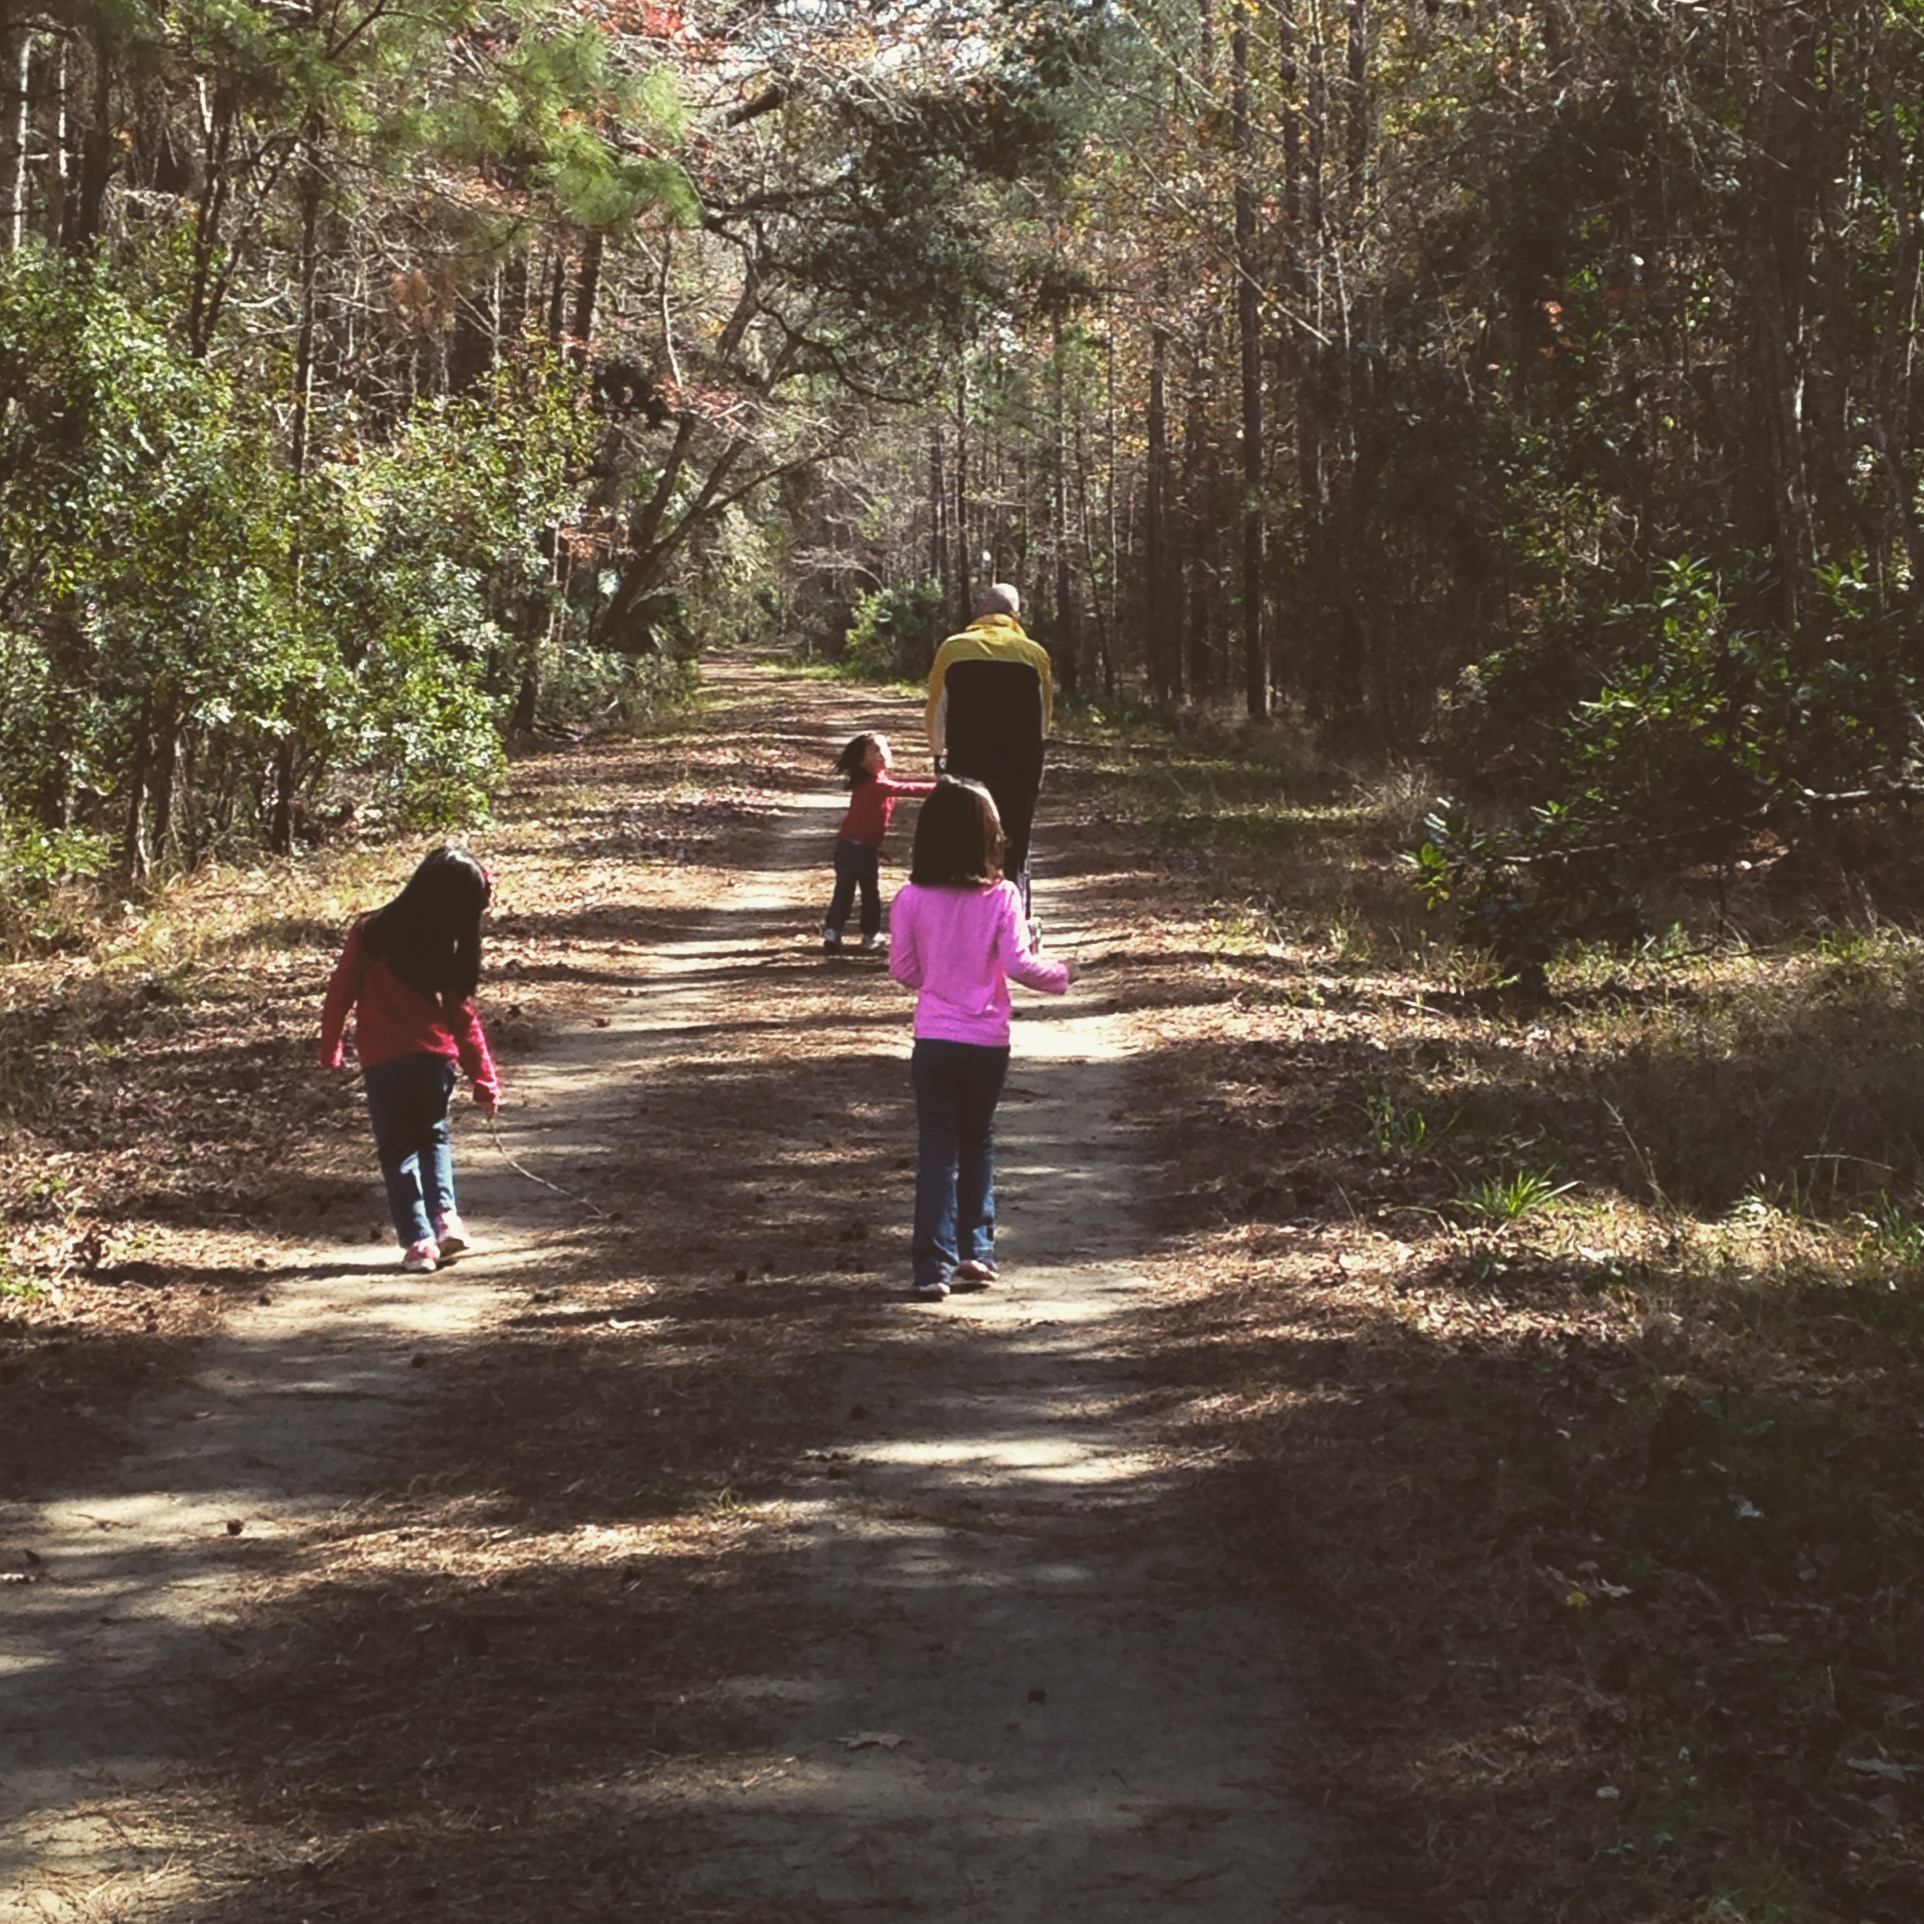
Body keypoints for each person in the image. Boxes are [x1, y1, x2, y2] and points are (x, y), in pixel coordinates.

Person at [888, 778, 1074, 1302]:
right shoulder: (1003, 898)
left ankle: (931, 1266)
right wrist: (1065, 971)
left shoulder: (910, 898)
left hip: (934, 1043)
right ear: (990, 838)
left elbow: (903, 970)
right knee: (978, 1142)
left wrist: (940, 974)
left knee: (937, 1153)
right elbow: (1020, 965)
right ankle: (976, 1249)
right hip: (987, 1043)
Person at [318, 846, 501, 1273]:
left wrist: (332, 1047)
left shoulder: (370, 932)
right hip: (434, 1062)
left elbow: (340, 991)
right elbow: (463, 1019)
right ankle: (445, 1218)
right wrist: (484, 1078)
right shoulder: (445, 944)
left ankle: (419, 1243)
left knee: (398, 1150)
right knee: (433, 1137)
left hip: (384, 1065)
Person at [925, 582, 1055, 918]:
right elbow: (1044, 718)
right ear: (1016, 616)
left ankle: (963, 914)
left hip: (968, 761)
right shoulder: (1034, 653)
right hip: (1020, 764)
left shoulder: (953, 648)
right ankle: (1016, 918)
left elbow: (938, 706)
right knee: (1014, 838)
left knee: (967, 834)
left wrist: (938, 750)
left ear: (981, 612)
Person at [822, 731, 936, 954]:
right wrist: (941, 787)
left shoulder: (870, 782)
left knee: (844, 891)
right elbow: (905, 789)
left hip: (847, 847)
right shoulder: (875, 784)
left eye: (885, 748)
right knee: (869, 893)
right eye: (876, 750)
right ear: (862, 761)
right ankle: (869, 935)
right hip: (859, 849)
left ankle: (833, 931)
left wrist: (874, 845)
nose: (883, 753)